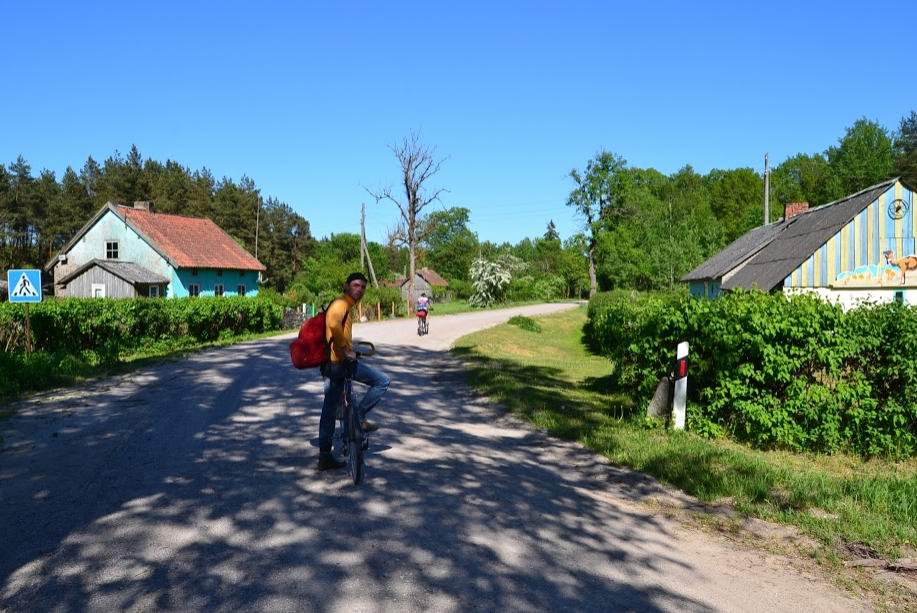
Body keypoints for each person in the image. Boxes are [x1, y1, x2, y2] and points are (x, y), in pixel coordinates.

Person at [318, 272, 391, 471]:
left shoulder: (347, 305)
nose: (360, 289)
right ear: (346, 285)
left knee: (330, 409)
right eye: (356, 285)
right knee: (382, 381)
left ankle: (326, 453)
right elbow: (333, 324)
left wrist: (350, 346)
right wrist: (346, 349)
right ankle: (357, 417)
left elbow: (337, 329)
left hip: (337, 363)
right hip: (337, 364)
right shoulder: (341, 303)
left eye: (363, 287)